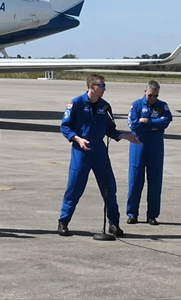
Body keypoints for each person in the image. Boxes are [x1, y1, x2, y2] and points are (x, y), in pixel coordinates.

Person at [57, 74, 139, 237]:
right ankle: (63, 222)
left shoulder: (105, 107)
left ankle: (113, 224)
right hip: (81, 152)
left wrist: (125, 136)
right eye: (101, 85)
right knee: (74, 189)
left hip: (100, 152)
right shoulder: (76, 104)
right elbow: (65, 127)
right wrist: (77, 139)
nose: (104, 88)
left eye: (104, 85)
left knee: (110, 189)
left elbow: (110, 129)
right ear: (91, 86)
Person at [126, 80, 172, 225]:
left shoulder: (162, 105)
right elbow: (133, 124)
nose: (153, 98)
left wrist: (148, 122)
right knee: (135, 179)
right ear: (145, 91)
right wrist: (153, 125)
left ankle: (152, 215)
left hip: (155, 146)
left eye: (155, 96)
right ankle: (132, 213)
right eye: (151, 95)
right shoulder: (137, 105)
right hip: (138, 145)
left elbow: (166, 121)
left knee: (155, 180)